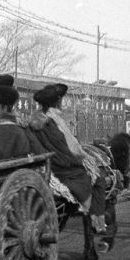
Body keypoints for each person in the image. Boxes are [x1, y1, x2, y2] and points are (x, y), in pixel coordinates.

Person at [26, 82, 108, 233]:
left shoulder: (33, 121)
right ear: (58, 102)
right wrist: (87, 158)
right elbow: (73, 149)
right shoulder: (56, 121)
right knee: (99, 176)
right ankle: (97, 222)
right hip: (63, 169)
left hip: (45, 165)